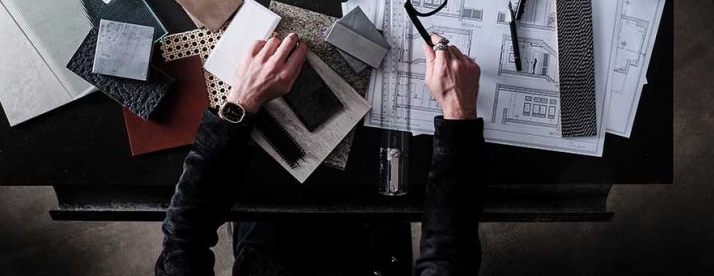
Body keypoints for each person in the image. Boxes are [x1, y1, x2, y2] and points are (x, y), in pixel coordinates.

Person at [155, 31, 484, 276]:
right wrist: (458, 113)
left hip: (269, 243)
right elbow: (449, 256)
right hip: (372, 254)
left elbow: (183, 237)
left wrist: (242, 101)